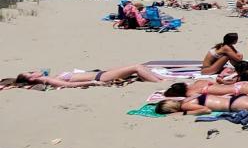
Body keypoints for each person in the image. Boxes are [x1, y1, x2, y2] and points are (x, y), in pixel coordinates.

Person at [2, 64, 166, 90]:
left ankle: (161, 80)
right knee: (136, 67)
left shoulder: (46, 76)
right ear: (31, 79)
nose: (34, 71)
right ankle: (159, 83)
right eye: (31, 74)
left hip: (101, 73)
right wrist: (92, 82)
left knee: (138, 68)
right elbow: (66, 85)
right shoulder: (46, 80)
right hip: (101, 77)